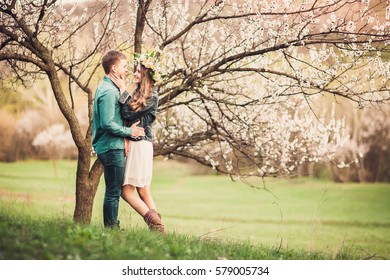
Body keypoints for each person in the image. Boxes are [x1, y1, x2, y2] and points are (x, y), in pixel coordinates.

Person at [111, 52, 166, 234]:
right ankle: (160, 231)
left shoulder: (152, 96)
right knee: (143, 190)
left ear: (146, 75)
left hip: (141, 144)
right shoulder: (138, 93)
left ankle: (156, 226)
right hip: (136, 142)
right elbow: (128, 114)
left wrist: (121, 91)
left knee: (126, 192)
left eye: (137, 71)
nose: (134, 74)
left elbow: (127, 113)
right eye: (134, 70)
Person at [92, 50, 145, 228]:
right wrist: (129, 132)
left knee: (113, 191)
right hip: (110, 147)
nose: (127, 70)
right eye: (124, 66)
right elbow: (107, 123)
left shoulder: (112, 88)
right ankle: (111, 229)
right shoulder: (107, 91)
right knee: (113, 192)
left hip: (114, 145)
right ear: (114, 69)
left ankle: (112, 227)